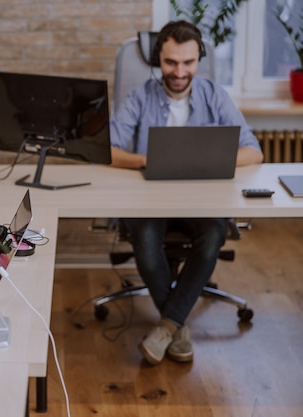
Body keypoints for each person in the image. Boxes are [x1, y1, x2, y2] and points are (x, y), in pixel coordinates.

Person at [109, 21, 263, 365]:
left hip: (201, 201)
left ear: (198, 60)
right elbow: (109, 150)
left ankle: (167, 325)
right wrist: (148, 160)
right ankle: (176, 328)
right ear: (157, 60)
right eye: (171, 62)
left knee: (212, 233)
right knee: (146, 239)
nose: (179, 72)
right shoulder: (140, 97)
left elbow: (254, 151)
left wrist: (210, 161)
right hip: (151, 199)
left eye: (188, 63)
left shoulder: (214, 95)